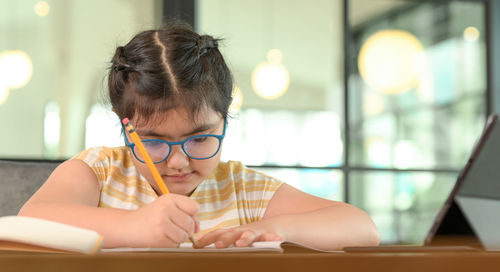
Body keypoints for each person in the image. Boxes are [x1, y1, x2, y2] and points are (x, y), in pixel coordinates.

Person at [19, 22, 380, 250]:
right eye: (155, 141)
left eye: (199, 139)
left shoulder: (240, 188)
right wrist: (134, 226)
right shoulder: (99, 171)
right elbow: (32, 219)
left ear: (224, 122)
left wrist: (272, 228)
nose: (178, 161)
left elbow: (361, 227)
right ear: (126, 129)